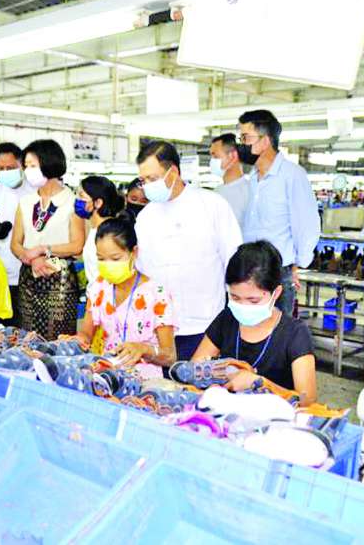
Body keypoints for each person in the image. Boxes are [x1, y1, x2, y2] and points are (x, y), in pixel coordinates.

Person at [135, 141, 242, 360]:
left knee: (202, 380)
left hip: (206, 326)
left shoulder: (212, 205)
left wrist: (235, 315)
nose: (147, 186)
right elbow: (142, 270)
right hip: (160, 328)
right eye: (143, 180)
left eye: (153, 179)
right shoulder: (145, 217)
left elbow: (234, 260)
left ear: (173, 172)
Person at [192, 241, 317, 404]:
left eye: (253, 300)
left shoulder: (294, 333)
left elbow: (308, 400)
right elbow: (193, 369)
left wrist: (261, 384)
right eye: (235, 297)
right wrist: (217, 374)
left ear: (276, 293)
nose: (243, 306)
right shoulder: (227, 319)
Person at [238, 109, 321, 316]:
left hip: (276, 273)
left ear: (265, 141)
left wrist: (297, 264)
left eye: (246, 137)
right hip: (248, 271)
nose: (242, 144)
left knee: (276, 332)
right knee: (249, 328)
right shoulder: (253, 178)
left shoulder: (292, 175)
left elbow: (306, 224)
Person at [73, 215, 177, 376]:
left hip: (144, 381)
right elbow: (86, 333)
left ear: (134, 252)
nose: (108, 265)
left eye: (115, 258)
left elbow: (169, 356)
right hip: (106, 376)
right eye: (101, 259)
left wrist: (143, 349)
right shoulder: (99, 287)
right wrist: (78, 340)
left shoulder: (156, 294)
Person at [10, 139, 84, 340]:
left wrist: (44, 251)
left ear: (49, 163)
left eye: (33, 165)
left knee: (57, 336)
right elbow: (15, 244)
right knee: (28, 335)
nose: (28, 171)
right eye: (26, 166)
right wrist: (32, 259)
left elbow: (77, 245)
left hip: (59, 276)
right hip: (29, 274)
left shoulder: (72, 202)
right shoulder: (25, 202)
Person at [0, 142, 34, 325]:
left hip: (29, 275)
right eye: (0, 169)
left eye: (10, 168)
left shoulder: (35, 193)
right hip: (0, 276)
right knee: (1, 329)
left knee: (27, 326)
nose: (5, 172)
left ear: (22, 165)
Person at [76, 175, 124, 286]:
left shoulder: (109, 234)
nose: (77, 200)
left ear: (98, 203)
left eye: (81, 196)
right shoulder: (95, 229)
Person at [210, 133, 249, 226]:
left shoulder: (250, 191)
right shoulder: (217, 192)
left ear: (233, 156)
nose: (211, 161)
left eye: (215, 156)